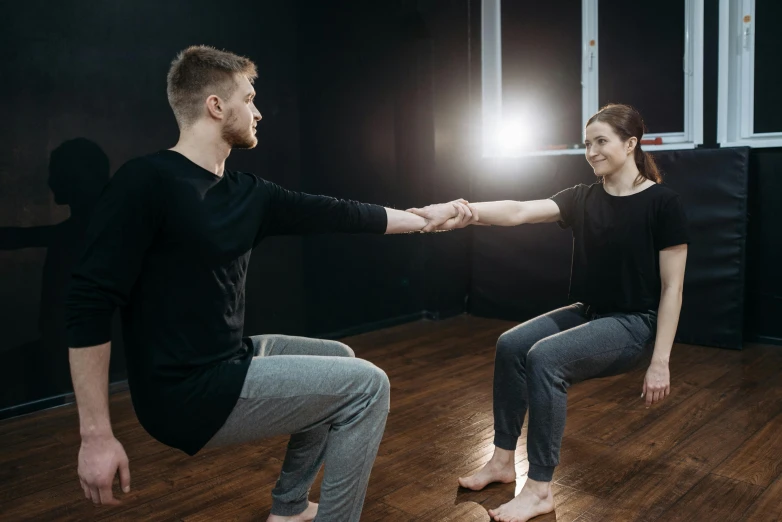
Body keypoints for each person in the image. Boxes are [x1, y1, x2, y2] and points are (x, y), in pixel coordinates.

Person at [65, 45, 472, 522]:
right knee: (368, 387)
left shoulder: (247, 194)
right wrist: (95, 435)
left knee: (340, 359)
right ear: (216, 106)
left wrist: (425, 220)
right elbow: (88, 302)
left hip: (228, 358)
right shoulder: (146, 182)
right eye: (249, 98)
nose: (258, 112)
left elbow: (339, 213)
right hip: (182, 392)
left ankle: (290, 507)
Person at [410, 103, 689, 522]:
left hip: (634, 323)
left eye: (601, 142)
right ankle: (503, 461)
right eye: (587, 143)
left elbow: (673, 288)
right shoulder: (584, 197)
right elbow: (520, 210)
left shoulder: (663, 204)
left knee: (545, 357)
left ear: (631, 144)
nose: (591, 151)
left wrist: (660, 362)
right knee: (512, 344)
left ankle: (539, 489)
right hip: (591, 311)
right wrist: (460, 211)